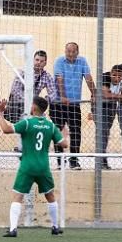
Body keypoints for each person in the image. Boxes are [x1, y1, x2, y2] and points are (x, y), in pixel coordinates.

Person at [0, 96, 67, 236]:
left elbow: (5, 129)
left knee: (18, 196)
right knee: (50, 195)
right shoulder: (51, 126)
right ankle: (55, 227)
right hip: (43, 167)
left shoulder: (27, 123)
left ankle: (13, 229)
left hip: (27, 165)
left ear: (34, 108)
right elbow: (64, 144)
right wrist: (65, 135)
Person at [52, 42, 95, 170]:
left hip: (74, 104)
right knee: (58, 132)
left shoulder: (82, 61)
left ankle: (74, 160)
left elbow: (88, 78)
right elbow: (59, 79)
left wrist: (95, 94)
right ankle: (60, 161)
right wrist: (63, 96)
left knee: (76, 131)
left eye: (73, 51)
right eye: (68, 51)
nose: (70, 54)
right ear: (65, 51)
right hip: (58, 104)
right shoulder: (59, 61)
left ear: (77, 52)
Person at [95, 64, 122, 170]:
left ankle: (102, 158)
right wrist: (120, 96)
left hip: (111, 106)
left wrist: (115, 95)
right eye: (114, 75)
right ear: (110, 73)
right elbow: (106, 95)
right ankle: (101, 159)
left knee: (106, 133)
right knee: (102, 131)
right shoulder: (105, 77)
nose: (117, 78)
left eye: (119, 76)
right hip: (99, 105)